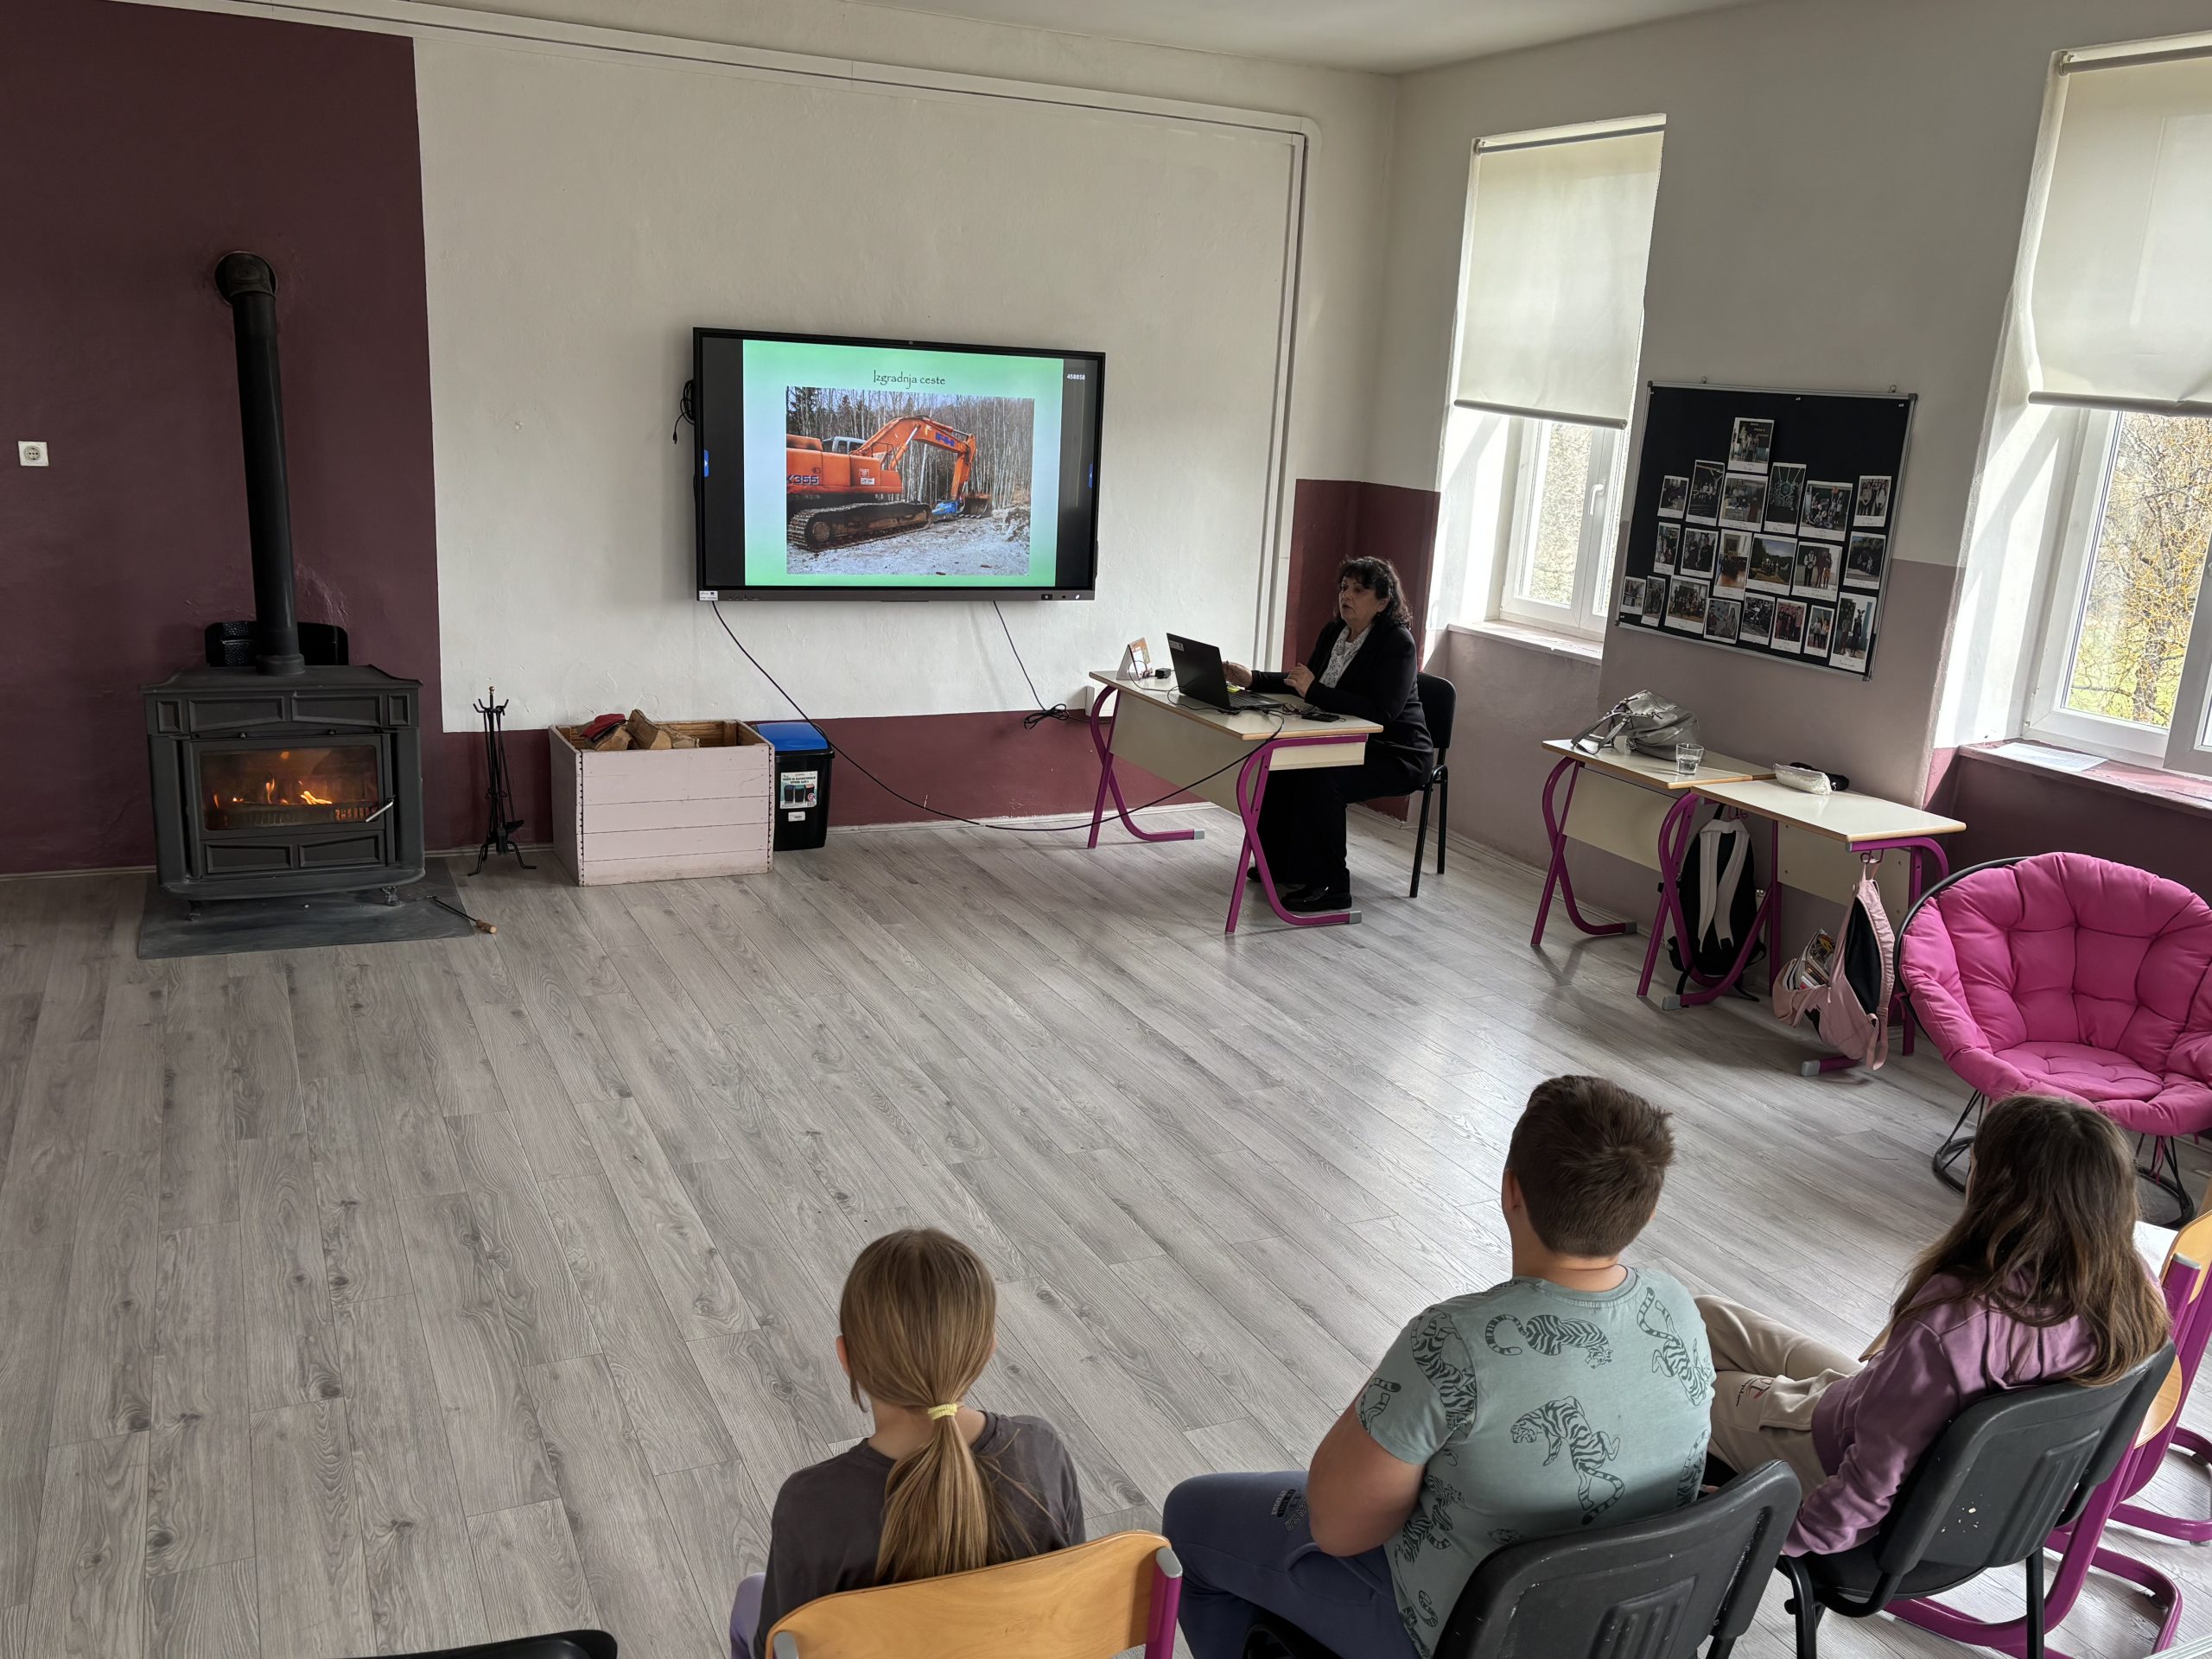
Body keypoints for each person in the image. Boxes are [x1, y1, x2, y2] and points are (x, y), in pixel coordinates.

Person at [1162, 1077, 1713, 1659]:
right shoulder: (1676, 1306)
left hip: (1463, 1640)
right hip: (1638, 1630)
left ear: (1511, 1190)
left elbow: (1340, 1529)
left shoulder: (1455, 1340)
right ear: (1649, 1210)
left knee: (1192, 1517)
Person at [1698, 1093, 2171, 1560]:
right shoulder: (2136, 1289)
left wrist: (1780, 1535)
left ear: (1995, 1190)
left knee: (1682, 1387)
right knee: (1704, 1314)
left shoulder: (1956, 1319)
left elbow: (1870, 1484)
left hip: (1841, 1462)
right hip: (1908, 1432)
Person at [730, 1230, 1085, 1657]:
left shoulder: (813, 1503)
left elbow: (780, 1647)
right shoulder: (1040, 1449)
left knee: (752, 1594)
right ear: (986, 1349)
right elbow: (1071, 1600)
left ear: (847, 1358)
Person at [1221, 556, 1432, 912]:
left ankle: (1333, 885)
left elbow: (1382, 712)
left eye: (1359, 590)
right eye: (1344, 588)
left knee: (1323, 780)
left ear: (1383, 602)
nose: (1346, 596)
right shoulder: (1334, 631)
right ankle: (1283, 866)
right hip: (1345, 741)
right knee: (1280, 766)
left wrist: (1315, 691)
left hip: (1395, 752)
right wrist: (1254, 679)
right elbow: (1303, 682)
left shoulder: (1397, 643)